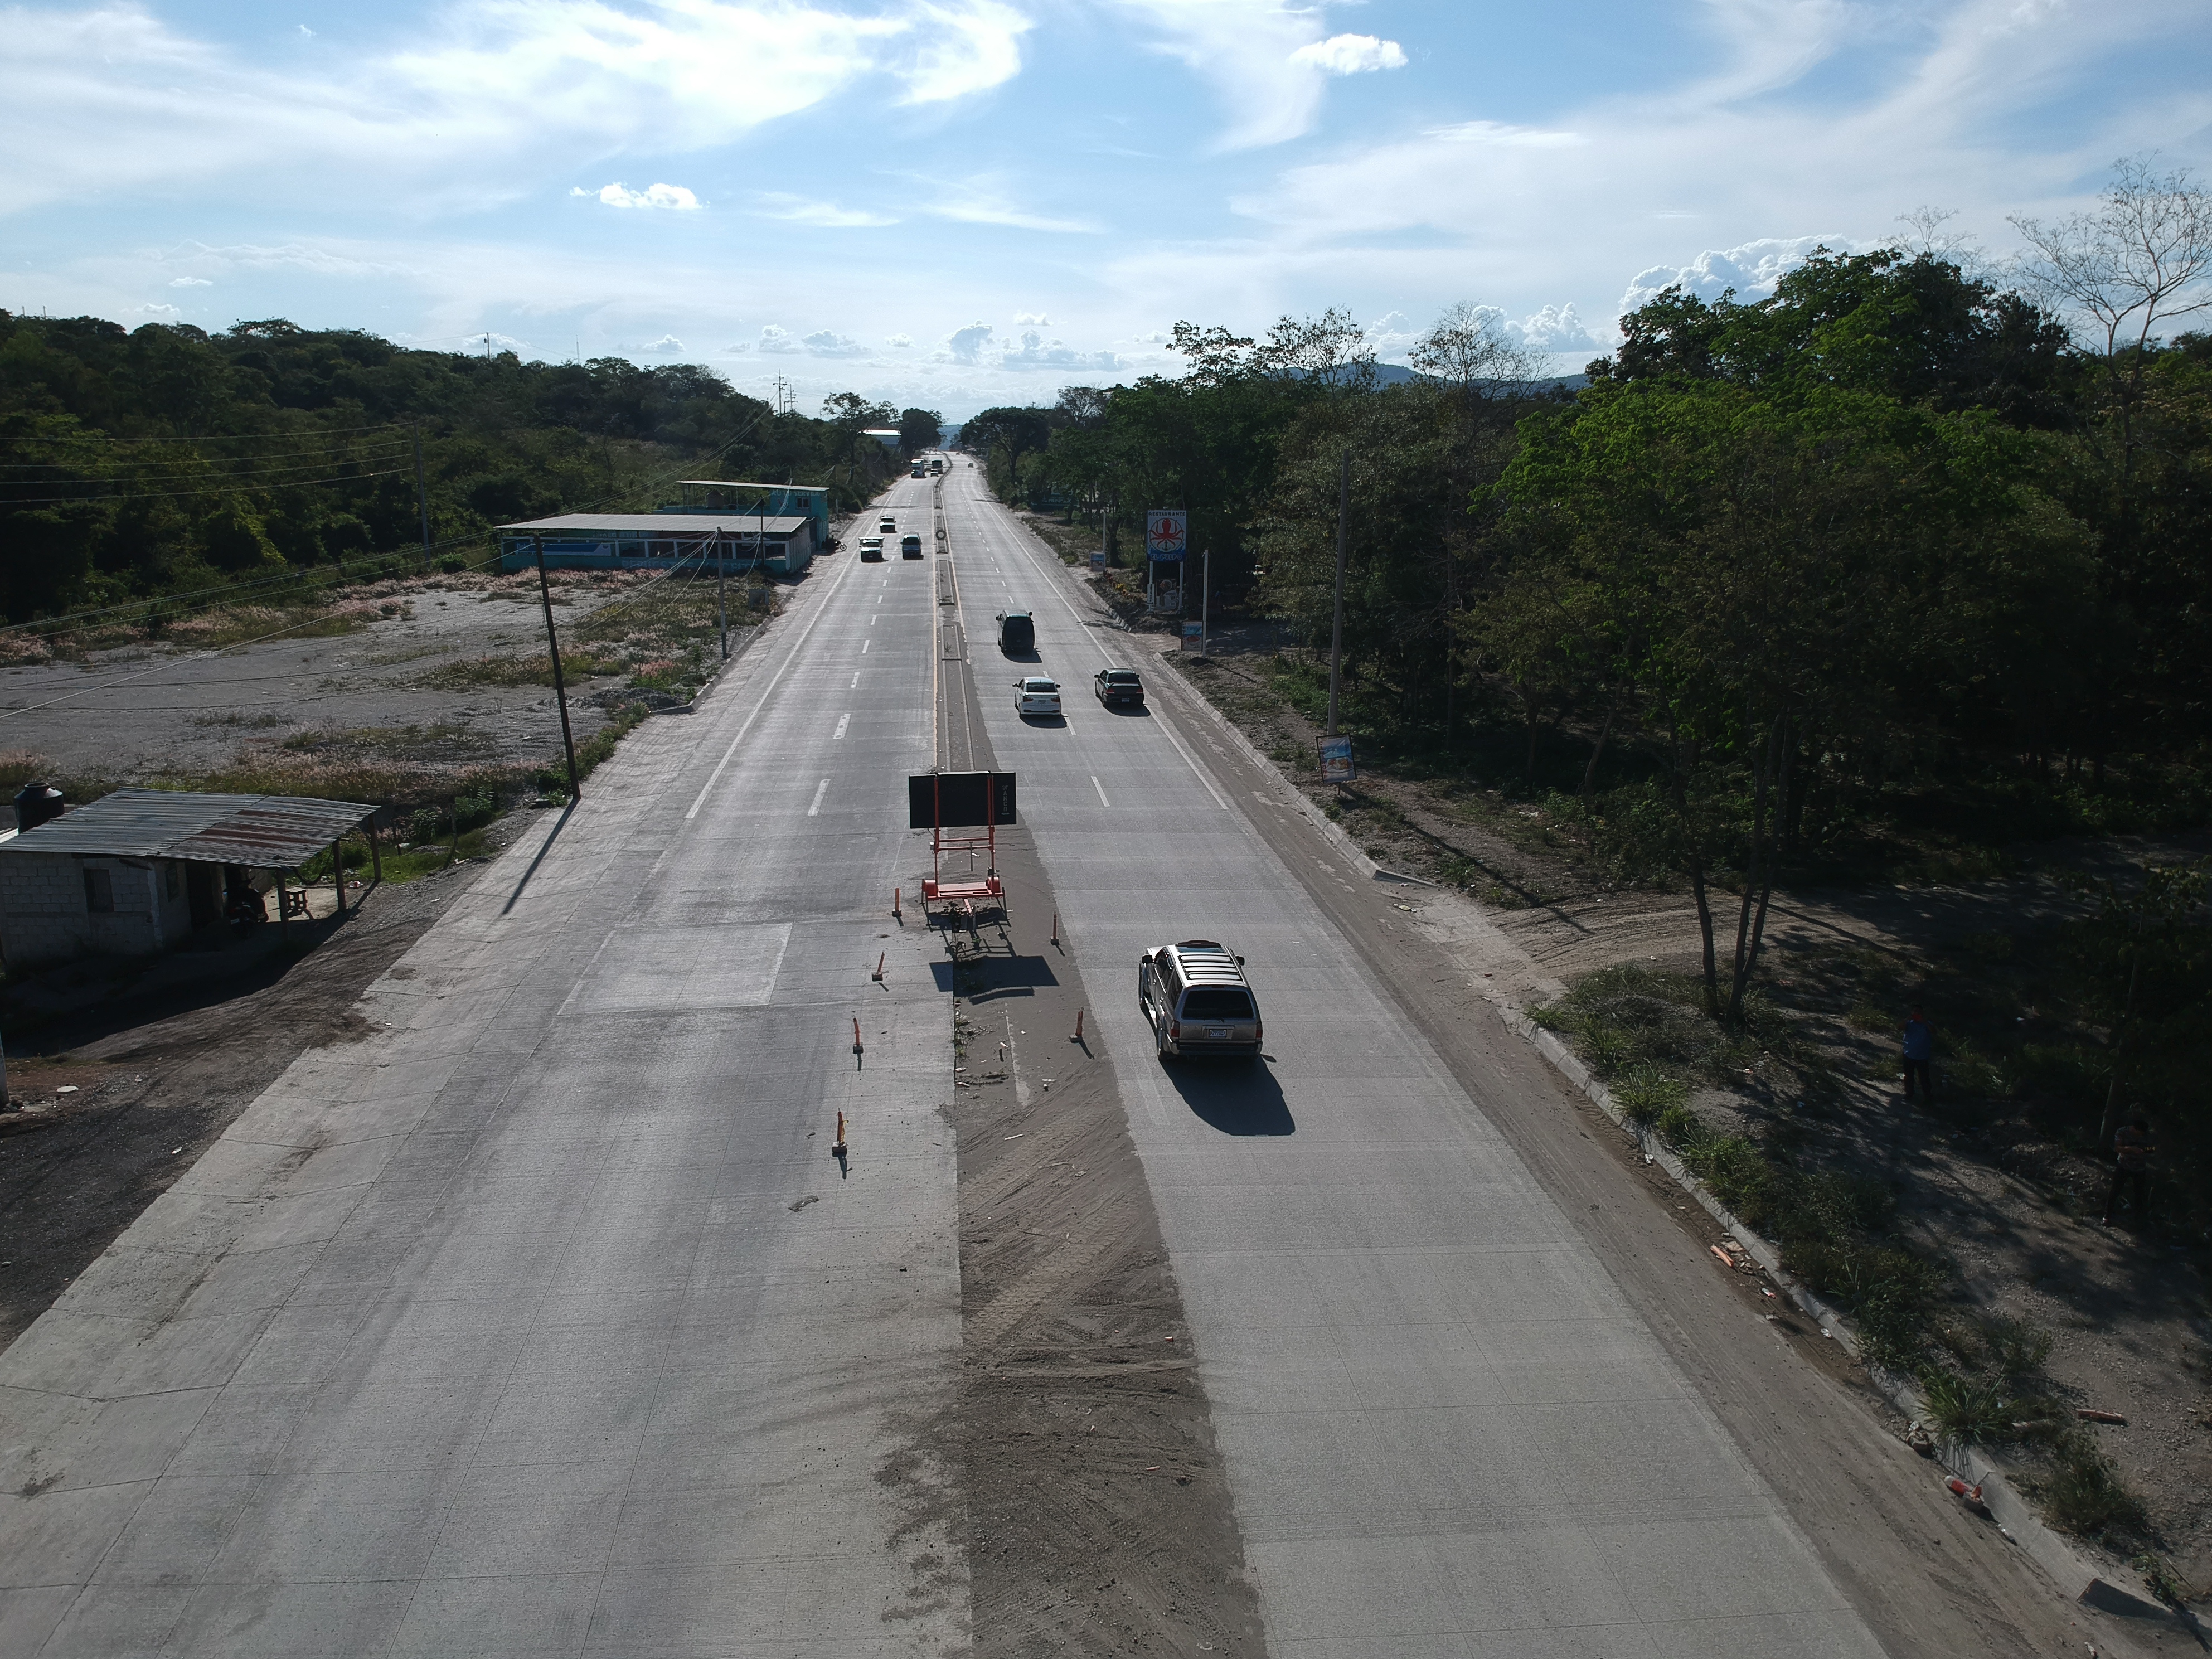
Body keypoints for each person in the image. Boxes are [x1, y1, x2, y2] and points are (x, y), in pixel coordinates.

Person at [2102, 1113, 2155, 1228]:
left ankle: (2137, 1221)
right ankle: (2107, 1216)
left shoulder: (2147, 1136)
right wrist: (2131, 1149)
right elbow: (2117, 1148)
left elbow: (2153, 1149)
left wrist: (2144, 1150)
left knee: (2139, 1195)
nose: (2141, 1135)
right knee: (2115, 1191)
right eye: (2140, 1133)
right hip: (2124, 1166)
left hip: (2140, 1168)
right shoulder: (2122, 1132)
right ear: (2135, 1129)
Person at [1901, 1009, 1934, 1104]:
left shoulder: (1927, 1024)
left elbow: (1934, 1031)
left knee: (1924, 1078)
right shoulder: (1909, 1023)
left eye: (1918, 1014)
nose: (1916, 1016)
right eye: (1914, 1014)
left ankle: (1928, 1096)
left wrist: (1924, 1021)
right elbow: (1899, 1027)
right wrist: (1906, 1019)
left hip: (1922, 1056)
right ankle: (1909, 1093)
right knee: (1908, 1076)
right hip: (1909, 1054)